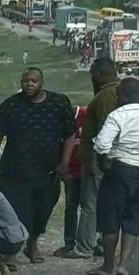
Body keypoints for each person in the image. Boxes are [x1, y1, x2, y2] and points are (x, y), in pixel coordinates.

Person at [0, 68, 75, 263]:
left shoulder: (59, 104)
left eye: (34, 81)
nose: (29, 84)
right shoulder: (10, 106)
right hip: (15, 172)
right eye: (25, 81)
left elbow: (70, 134)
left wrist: (65, 162)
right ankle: (10, 254)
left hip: (48, 171)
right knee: (18, 214)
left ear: (41, 83)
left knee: (42, 213)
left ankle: (32, 245)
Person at [88, 77, 139, 275]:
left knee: (110, 217)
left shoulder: (118, 115)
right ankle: (123, 265)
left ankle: (108, 266)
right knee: (134, 220)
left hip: (120, 170)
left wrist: (104, 162)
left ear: (121, 95)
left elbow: (102, 145)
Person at [64, 57, 118, 260]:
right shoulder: (116, 92)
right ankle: (98, 242)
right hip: (106, 160)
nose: (92, 79)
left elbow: (106, 128)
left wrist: (98, 159)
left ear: (102, 74)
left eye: (93, 74)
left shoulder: (104, 96)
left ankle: (84, 247)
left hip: (98, 160)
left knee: (89, 205)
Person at [54, 105, 87, 256]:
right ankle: (69, 242)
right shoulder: (56, 120)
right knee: (71, 205)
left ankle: (90, 242)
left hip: (87, 169)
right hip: (70, 171)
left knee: (89, 207)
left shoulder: (86, 114)